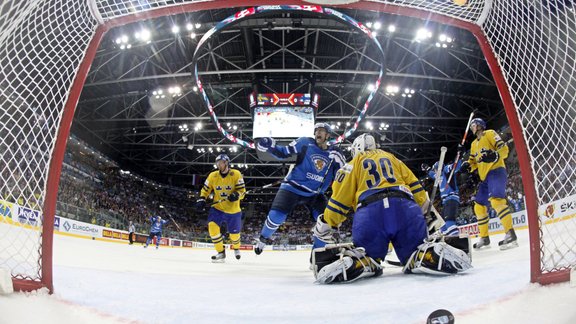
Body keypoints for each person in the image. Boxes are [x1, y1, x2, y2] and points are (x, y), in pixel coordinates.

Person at [312, 133, 472, 284]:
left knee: (367, 254)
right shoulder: (394, 159)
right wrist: (429, 214)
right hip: (406, 208)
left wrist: (327, 223)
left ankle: (361, 262)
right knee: (415, 253)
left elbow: (340, 200)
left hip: (371, 212)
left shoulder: (353, 164)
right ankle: (428, 254)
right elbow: (416, 187)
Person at [254, 122, 346, 254]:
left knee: (326, 223)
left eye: (321, 130)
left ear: (328, 135)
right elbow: (283, 153)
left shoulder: (335, 152)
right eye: (316, 131)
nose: (317, 133)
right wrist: (270, 146)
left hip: (315, 194)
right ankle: (263, 239)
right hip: (292, 188)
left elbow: (341, 177)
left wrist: (341, 165)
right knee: (276, 216)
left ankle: (317, 255)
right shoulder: (305, 142)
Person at [459, 118, 517, 250]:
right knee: (478, 206)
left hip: (496, 171)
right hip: (485, 178)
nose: (473, 127)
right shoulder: (474, 144)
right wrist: (468, 166)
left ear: (480, 125)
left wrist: (495, 155)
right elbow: (473, 162)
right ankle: (484, 238)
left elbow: (504, 149)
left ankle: (510, 233)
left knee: (496, 201)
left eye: (474, 124)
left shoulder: (490, 133)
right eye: (472, 125)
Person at [195, 154, 246, 263]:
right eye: (217, 162)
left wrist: (236, 195)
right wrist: (202, 198)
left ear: (227, 162)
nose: (218, 164)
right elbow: (205, 189)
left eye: (221, 162)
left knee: (234, 235)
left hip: (233, 210)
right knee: (212, 228)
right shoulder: (212, 176)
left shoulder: (236, 174)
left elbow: (242, 191)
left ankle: (236, 248)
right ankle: (221, 252)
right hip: (217, 208)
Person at [421, 159, 463, 236]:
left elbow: (456, 166)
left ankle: (456, 239)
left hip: (451, 198)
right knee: (443, 225)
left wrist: (459, 157)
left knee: (449, 221)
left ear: (438, 168)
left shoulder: (446, 170)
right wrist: (427, 169)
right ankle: (441, 235)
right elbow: (431, 174)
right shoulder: (438, 176)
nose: (434, 171)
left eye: (435, 170)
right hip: (446, 201)